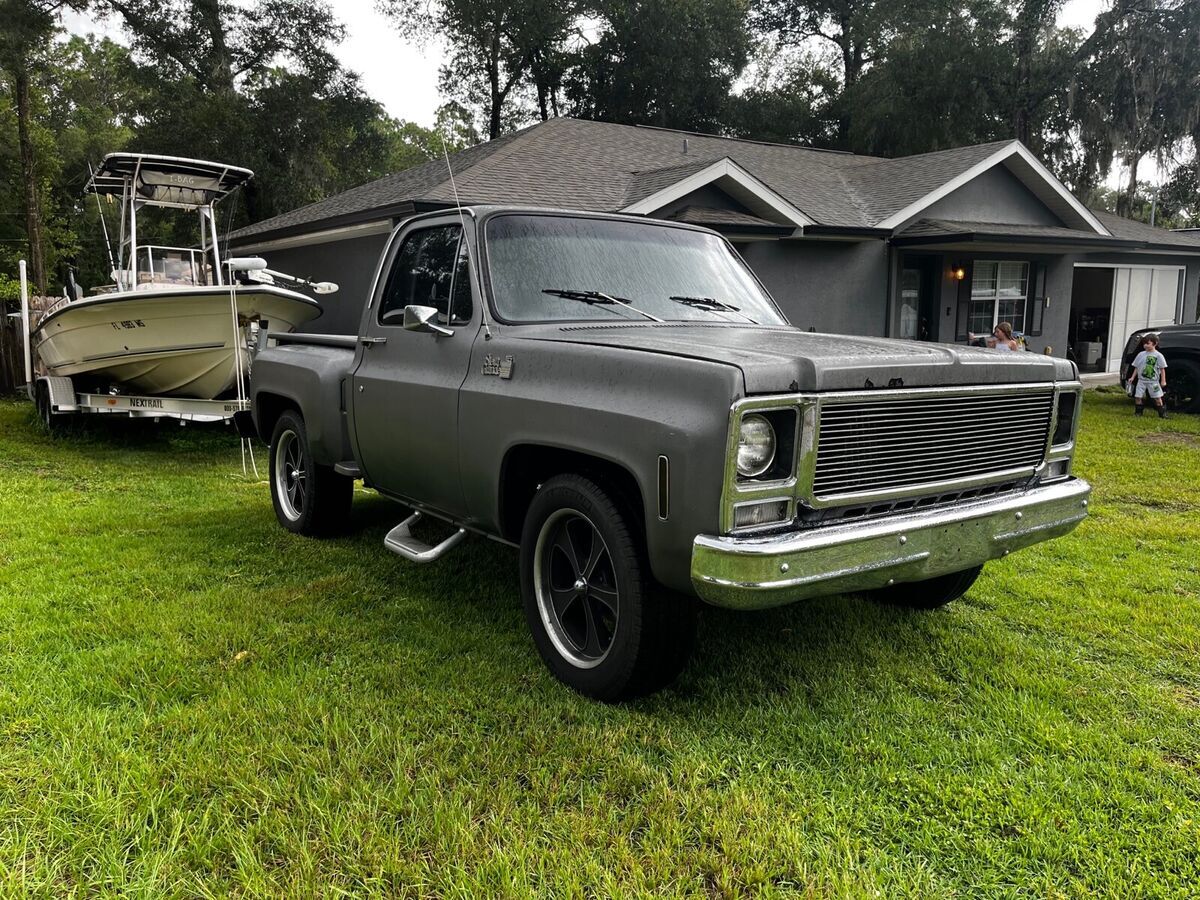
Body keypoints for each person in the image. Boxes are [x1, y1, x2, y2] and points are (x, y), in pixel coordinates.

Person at [1126, 333, 1169, 418]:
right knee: (1138, 396)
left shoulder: (1158, 356)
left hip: (1153, 381)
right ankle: (1138, 412)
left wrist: (1163, 380)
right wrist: (1132, 377)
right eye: (1144, 344)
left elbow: (1162, 369)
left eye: (1148, 343)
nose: (1145, 345)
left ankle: (1162, 413)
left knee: (1157, 397)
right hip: (1141, 380)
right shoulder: (1141, 354)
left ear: (1155, 343)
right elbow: (1137, 367)